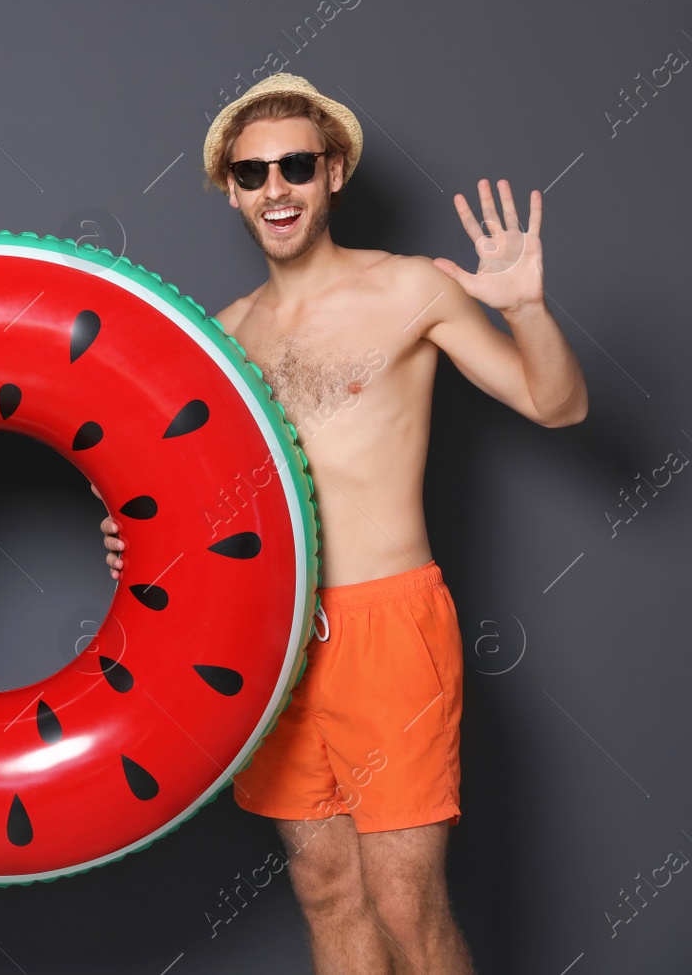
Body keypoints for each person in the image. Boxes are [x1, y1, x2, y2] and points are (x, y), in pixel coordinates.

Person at [100, 75, 586, 972]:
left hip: (389, 625)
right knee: (326, 887)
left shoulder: (409, 290)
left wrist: (523, 308)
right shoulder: (223, 335)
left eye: (293, 165)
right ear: (231, 191)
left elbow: (554, 405)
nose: (273, 189)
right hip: (270, 639)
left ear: (333, 172)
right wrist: (138, 536)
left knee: (406, 902)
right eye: (252, 174)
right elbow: (208, 505)